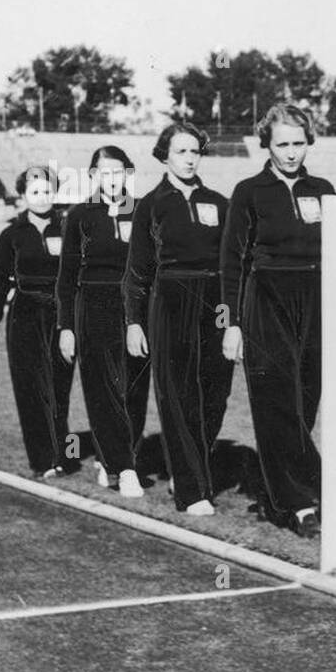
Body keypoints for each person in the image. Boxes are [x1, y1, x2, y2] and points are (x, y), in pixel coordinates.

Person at [220, 103, 336, 536]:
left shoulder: (323, 188)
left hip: (316, 302)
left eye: (298, 143)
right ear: (267, 143)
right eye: (282, 144)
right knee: (275, 400)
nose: (291, 153)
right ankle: (297, 503)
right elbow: (231, 261)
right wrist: (231, 323)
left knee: (305, 400)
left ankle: (280, 485)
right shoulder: (249, 191)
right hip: (265, 301)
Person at [124, 123, 233, 516]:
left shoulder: (220, 203)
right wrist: (134, 321)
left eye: (195, 152)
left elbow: (232, 262)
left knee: (215, 394)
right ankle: (191, 491)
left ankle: (188, 469)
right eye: (181, 151)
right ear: (164, 155)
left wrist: (234, 317)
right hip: (169, 299)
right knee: (178, 394)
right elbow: (137, 269)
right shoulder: (151, 205)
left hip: (215, 303)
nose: (189, 158)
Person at [56, 145, 149, 498]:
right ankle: (123, 467)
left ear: (128, 172)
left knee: (135, 389)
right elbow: (66, 276)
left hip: (135, 307)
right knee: (102, 389)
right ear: (93, 175)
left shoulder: (141, 210)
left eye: (117, 172)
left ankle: (117, 455)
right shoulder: (80, 215)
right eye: (103, 173)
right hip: (92, 307)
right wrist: (66, 326)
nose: (111, 180)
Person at [0, 165, 75, 478]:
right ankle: (43, 460)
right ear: (23, 196)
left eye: (48, 191)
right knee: (30, 389)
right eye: (35, 192)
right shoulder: (11, 235)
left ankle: (63, 455)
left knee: (59, 387)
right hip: (24, 315)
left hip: (61, 316)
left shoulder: (67, 229)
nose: (42, 197)